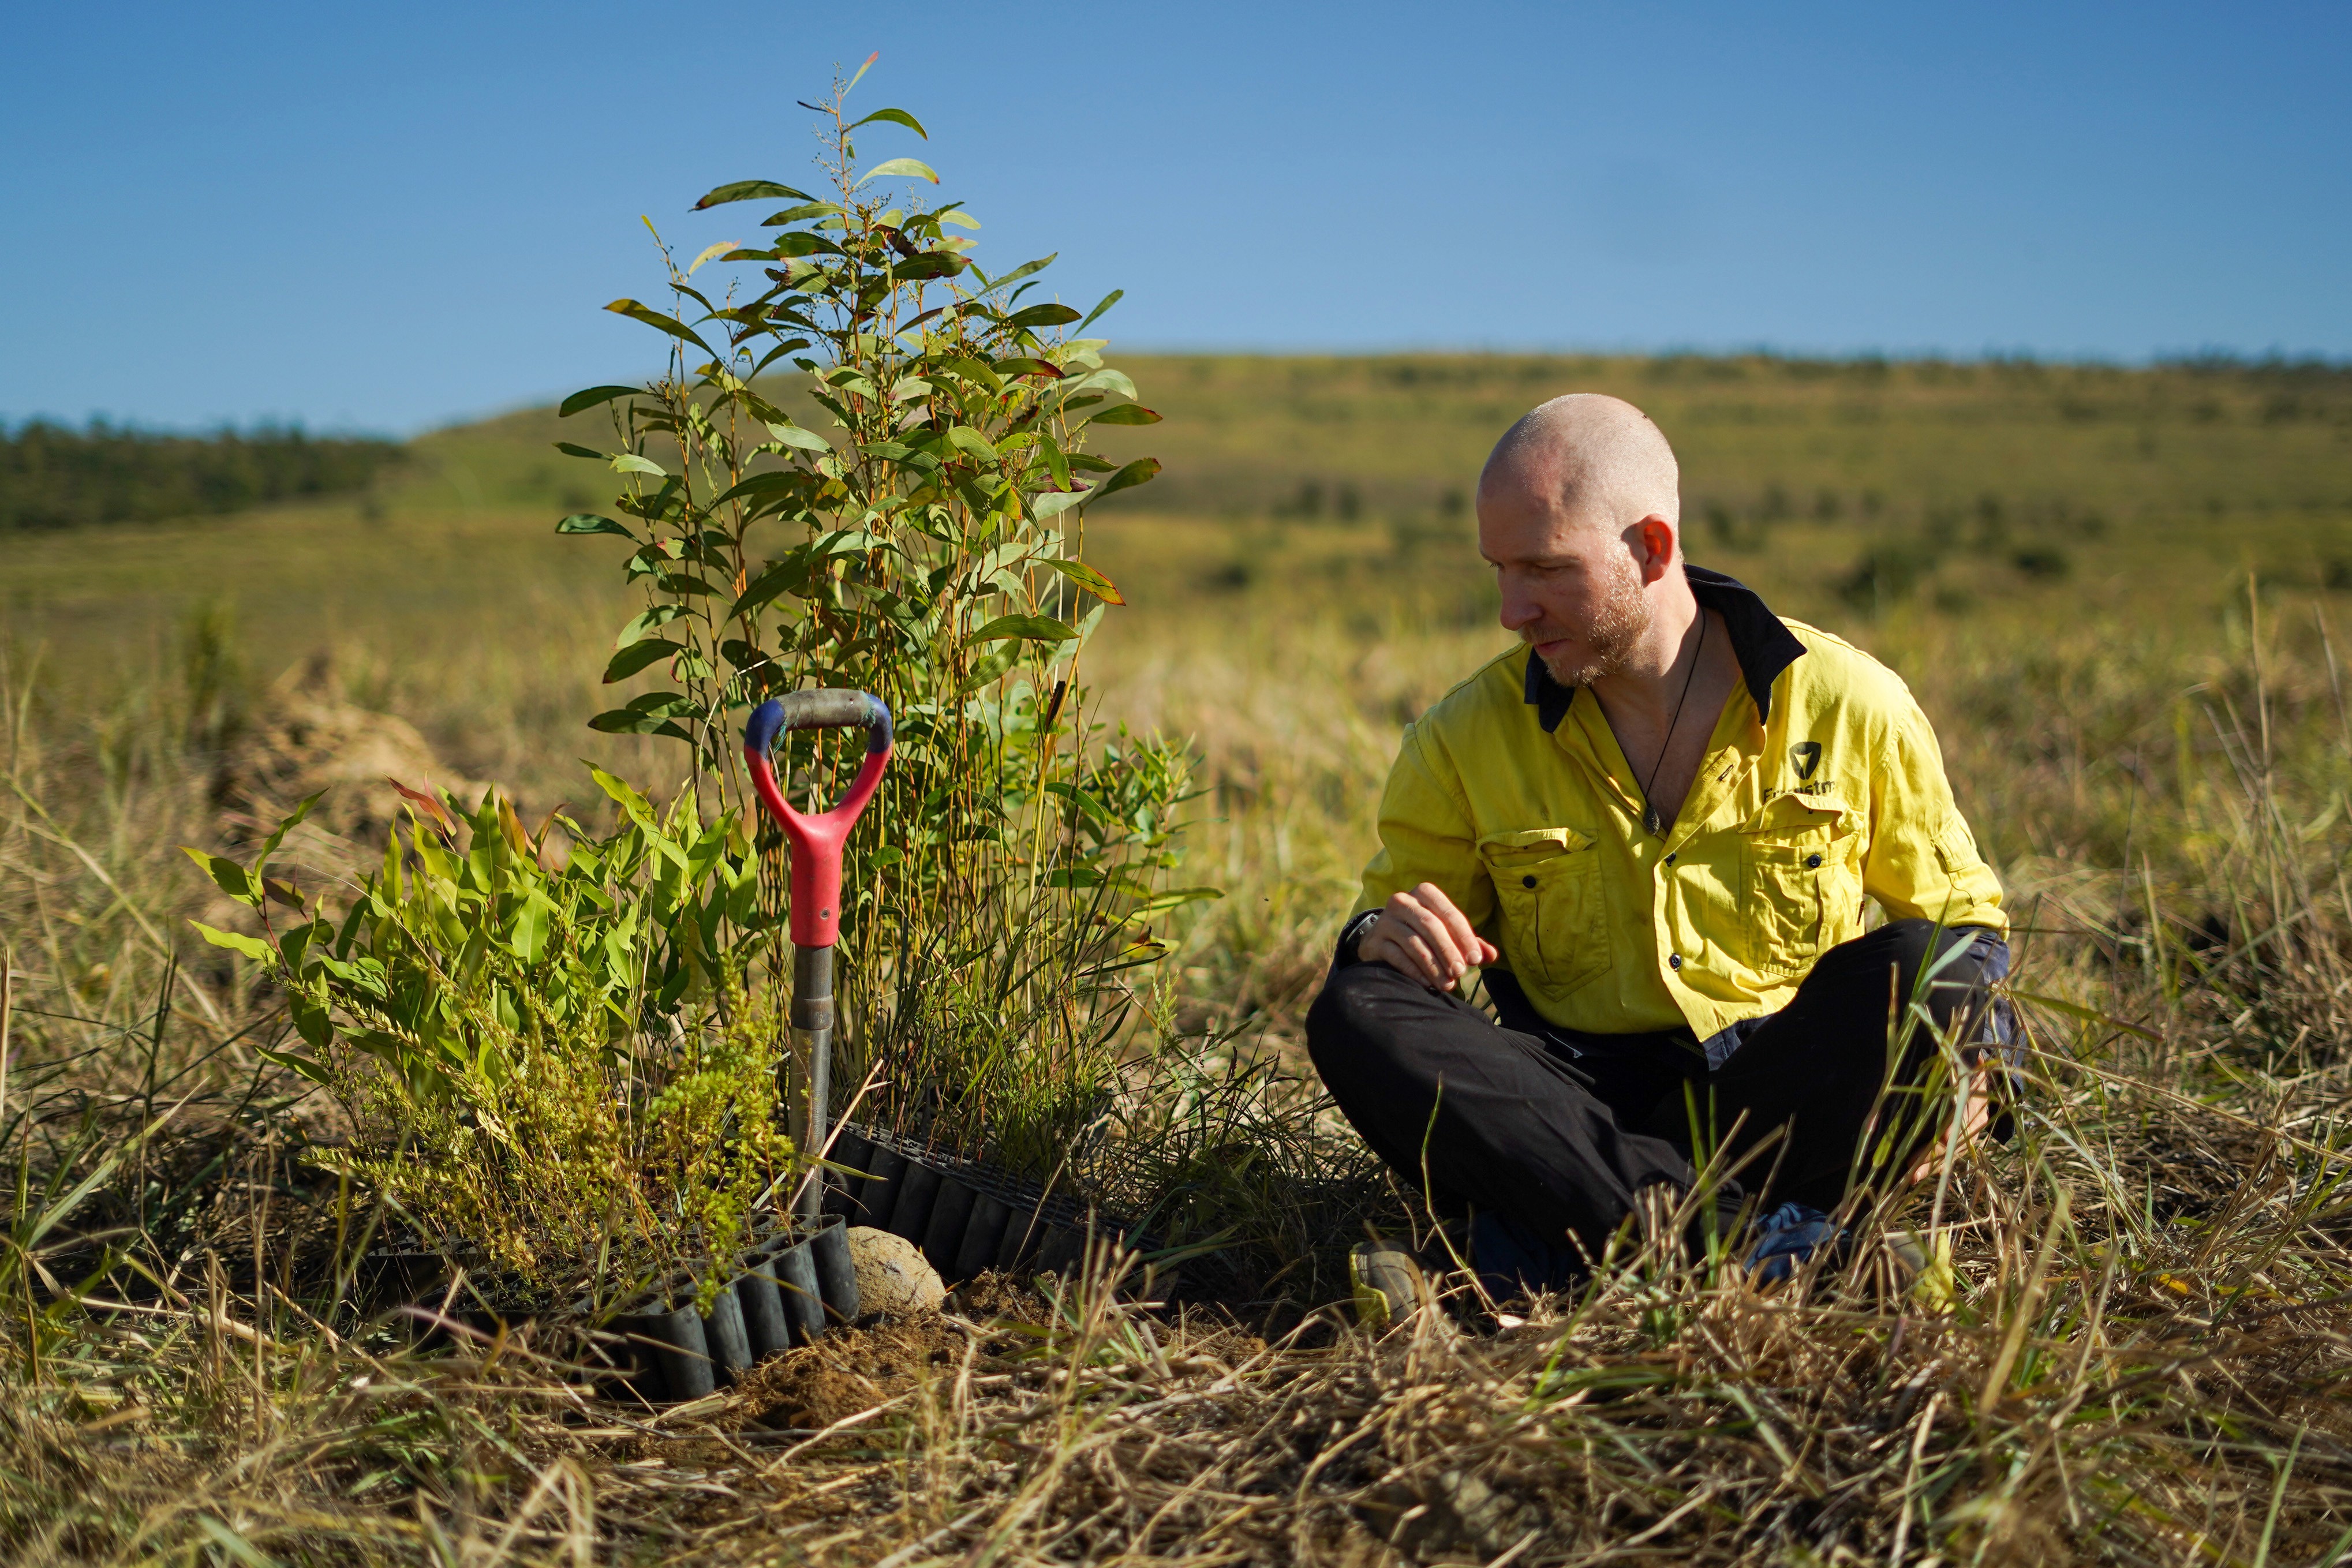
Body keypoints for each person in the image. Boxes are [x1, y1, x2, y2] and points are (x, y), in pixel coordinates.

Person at [1305, 394, 2013, 1300]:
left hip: (1779, 1097)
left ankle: (1553, 1251)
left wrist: (1978, 1067)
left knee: (1933, 971)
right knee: (1355, 1012)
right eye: (1498, 570)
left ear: (1652, 548)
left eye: (1543, 568)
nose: (1511, 609)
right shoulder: (1460, 736)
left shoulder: (1850, 700)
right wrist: (1380, 935)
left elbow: (1966, 927)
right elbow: (1388, 932)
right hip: (1566, 1107)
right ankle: (1776, 1254)